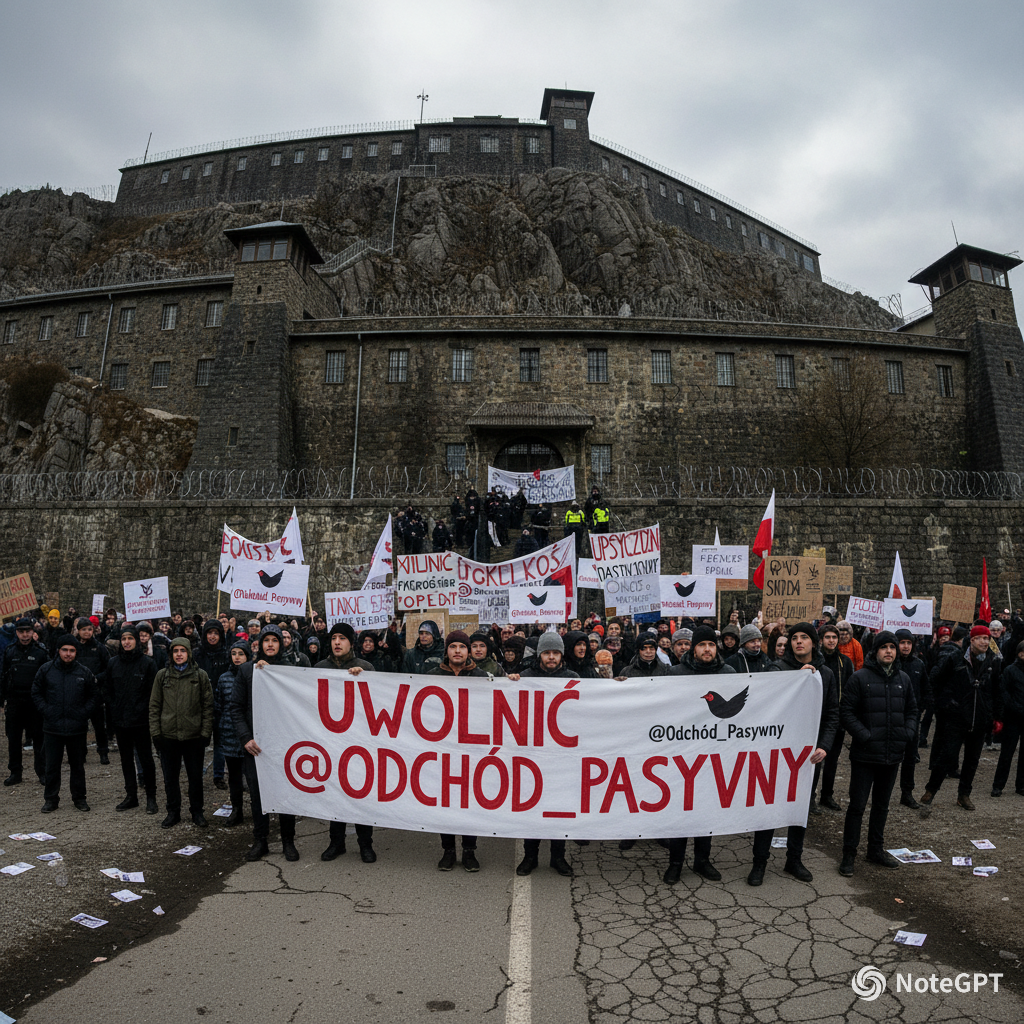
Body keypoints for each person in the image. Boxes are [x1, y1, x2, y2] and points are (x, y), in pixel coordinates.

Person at [750, 623, 837, 885]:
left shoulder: (826, 674)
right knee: (769, 807)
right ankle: (759, 862)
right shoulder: (776, 669)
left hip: (808, 755)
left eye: (805, 637)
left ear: (813, 643)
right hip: (777, 751)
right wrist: (796, 682)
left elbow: (832, 714)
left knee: (800, 807)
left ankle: (794, 859)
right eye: (795, 638)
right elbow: (764, 706)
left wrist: (824, 745)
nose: (799, 641)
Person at [658, 626, 736, 884]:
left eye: (711, 645)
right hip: (683, 754)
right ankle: (675, 863)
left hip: (714, 754)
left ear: (716, 648)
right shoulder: (676, 673)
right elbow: (659, 703)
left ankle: (702, 860)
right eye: (702, 645)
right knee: (681, 810)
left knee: (706, 809)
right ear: (694, 648)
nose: (707, 649)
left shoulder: (728, 673)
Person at [838, 631, 917, 875]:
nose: (889, 651)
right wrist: (865, 735)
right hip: (865, 755)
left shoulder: (903, 679)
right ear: (875, 651)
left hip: (892, 755)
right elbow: (846, 712)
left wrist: (907, 733)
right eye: (884, 647)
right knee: (857, 806)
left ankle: (875, 850)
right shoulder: (860, 678)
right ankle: (848, 854)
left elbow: (912, 710)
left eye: (892, 647)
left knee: (882, 806)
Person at [508, 633, 575, 877]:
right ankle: (530, 856)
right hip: (533, 754)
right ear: (540, 655)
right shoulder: (525, 677)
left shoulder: (573, 678)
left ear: (561, 655)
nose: (551, 657)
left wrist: (617, 684)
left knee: (558, 808)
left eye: (555, 653)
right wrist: (511, 682)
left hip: (561, 755)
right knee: (533, 808)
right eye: (547, 653)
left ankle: (558, 856)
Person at [920, 624, 1002, 813]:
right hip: (956, 717)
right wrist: (945, 705)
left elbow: (996, 691)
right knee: (947, 755)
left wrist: (996, 717)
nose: (985, 642)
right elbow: (936, 681)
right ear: (972, 640)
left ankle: (964, 795)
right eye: (980, 638)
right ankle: (931, 790)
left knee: (972, 760)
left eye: (987, 638)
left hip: (980, 719)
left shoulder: (993, 661)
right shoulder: (955, 658)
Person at [315, 623, 378, 864]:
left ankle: (365, 844)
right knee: (335, 793)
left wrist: (364, 680)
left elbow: (377, 701)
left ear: (351, 642)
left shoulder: (365, 667)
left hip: (358, 742)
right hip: (331, 741)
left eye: (342, 638)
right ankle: (336, 842)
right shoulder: (320, 668)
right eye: (334, 638)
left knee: (361, 793)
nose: (337, 642)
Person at [429, 631, 488, 871]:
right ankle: (448, 850)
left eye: (462, 647)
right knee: (446, 802)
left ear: (468, 651)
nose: (457, 651)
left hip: (471, 749)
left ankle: (469, 850)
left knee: (468, 801)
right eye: (452, 646)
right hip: (442, 749)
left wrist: (513, 681)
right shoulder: (432, 676)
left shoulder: (481, 676)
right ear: (446, 650)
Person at [150, 637, 213, 829]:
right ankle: (173, 812)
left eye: (182, 651)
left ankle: (197, 812)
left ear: (189, 653)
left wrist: (205, 733)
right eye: (175, 651)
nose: (179, 654)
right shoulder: (162, 676)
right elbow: (154, 706)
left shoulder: (200, 676)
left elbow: (208, 706)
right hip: (168, 736)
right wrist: (156, 734)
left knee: (195, 777)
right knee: (170, 778)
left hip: (193, 736)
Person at [32, 634, 99, 813]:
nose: (68, 654)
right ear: (58, 651)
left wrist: (83, 713)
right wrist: (47, 711)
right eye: (65, 650)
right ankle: (51, 799)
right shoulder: (46, 670)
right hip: (52, 728)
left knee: (77, 766)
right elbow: (36, 692)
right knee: (52, 766)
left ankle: (79, 798)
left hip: (77, 728)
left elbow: (94, 695)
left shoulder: (84, 672)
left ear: (76, 652)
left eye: (72, 650)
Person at [103, 624, 159, 814]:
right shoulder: (113, 663)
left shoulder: (147, 663)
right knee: (126, 759)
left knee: (146, 759)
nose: (127, 642)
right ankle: (131, 796)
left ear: (136, 641)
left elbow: (153, 692)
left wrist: (142, 710)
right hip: (121, 720)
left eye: (130, 638)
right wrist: (114, 708)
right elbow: (108, 689)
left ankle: (151, 797)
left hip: (141, 721)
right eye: (124, 639)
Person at [2, 617, 49, 786]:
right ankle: (15, 772)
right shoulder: (10, 651)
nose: (25, 635)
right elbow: (3, 677)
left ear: (33, 632)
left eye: (28, 631)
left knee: (39, 739)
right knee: (14, 739)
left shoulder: (41, 652)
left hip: (35, 702)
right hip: (15, 702)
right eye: (21, 631)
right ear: (16, 633)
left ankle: (42, 772)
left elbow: (47, 678)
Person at [814, 623, 855, 811]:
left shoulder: (844, 662)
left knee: (832, 760)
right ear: (821, 640)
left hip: (836, 719)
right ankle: (810, 797)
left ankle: (827, 795)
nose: (831, 641)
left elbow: (849, 690)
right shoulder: (815, 661)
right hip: (816, 719)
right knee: (814, 761)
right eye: (828, 637)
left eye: (834, 637)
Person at [214, 639, 251, 826]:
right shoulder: (224, 678)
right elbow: (219, 704)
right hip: (229, 734)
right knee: (234, 776)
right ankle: (237, 810)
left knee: (251, 776)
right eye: (234, 654)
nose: (237, 657)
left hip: (249, 734)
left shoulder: (254, 675)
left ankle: (258, 808)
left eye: (241, 654)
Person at [894, 628, 930, 809]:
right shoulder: (890, 664)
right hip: (891, 717)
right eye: (902, 643)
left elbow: (925, 689)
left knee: (909, 758)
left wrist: (919, 710)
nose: (906, 646)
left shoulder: (918, 664)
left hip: (911, 719)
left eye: (909, 643)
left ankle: (906, 793)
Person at [74, 616, 111, 763]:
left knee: (99, 726)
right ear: (78, 631)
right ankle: (80, 753)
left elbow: (108, 668)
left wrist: (97, 678)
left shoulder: (100, 648)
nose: (87, 632)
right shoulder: (74, 647)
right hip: (78, 692)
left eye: (89, 629)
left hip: (95, 693)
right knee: (80, 725)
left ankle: (103, 752)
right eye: (84, 629)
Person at [992, 639, 1024, 797]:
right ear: (1020, 653)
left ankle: (1021, 785)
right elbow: (1004, 693)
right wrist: (1015, 708)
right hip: (1013, 717)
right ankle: (998, 785)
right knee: (1007, 753)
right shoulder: (1010, 670)